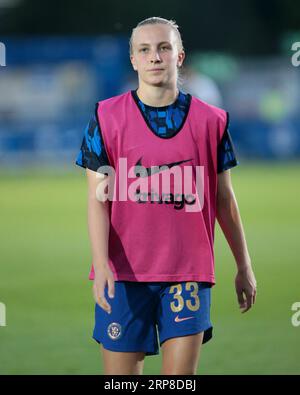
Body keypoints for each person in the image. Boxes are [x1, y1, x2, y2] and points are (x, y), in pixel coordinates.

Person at [75, 17, 257, 375]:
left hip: (188, 272)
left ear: (179, 56)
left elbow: (224, 200)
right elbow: (98, 199)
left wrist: (244, 265)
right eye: (144, 50)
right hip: (124, 275)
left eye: (163, 48)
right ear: (133, 60)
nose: (154, 57)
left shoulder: (213, 121)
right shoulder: (105, 118)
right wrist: (102, 264)